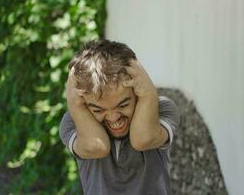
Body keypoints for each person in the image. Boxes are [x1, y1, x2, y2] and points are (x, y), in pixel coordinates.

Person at [59, 39, 179, 195]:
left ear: (137, 90)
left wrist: (149, 95)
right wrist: (76, 107)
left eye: (123, 105)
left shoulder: (162, 108)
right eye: (98, 110)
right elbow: (97, 147)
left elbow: (143, 139)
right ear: (84, 104)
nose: (113, 117)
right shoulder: (72, 121)